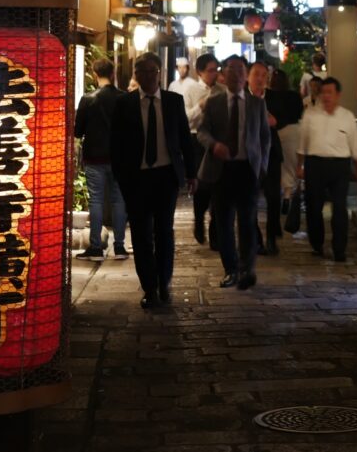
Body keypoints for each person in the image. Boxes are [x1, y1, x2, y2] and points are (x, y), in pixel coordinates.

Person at [109, 52, 197, 308]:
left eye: (152, 71)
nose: (147, 76)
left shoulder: (173, 102)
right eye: (142, 71)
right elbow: (116, 144)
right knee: (140, 234)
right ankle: (149, 286)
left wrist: (191, 173)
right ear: (135, 74)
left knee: (164, 232)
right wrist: (121, 177)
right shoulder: (124, 104)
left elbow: (184, 140)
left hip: (165, 175)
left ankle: (164, 282)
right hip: (136, 177)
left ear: (159, 74)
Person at [197, 57, 271, 290]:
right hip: (222, 168)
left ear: (245, 75)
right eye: (232, 71)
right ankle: (230, 269)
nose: (237, 76)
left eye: (241, 71)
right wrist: (214, 145)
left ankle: (247, 268)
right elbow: (202, 131)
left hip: (247, 168)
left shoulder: (256, 104)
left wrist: (262, 166)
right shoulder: (214, 101)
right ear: (224, 74)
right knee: (224, 222)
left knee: (248, 221)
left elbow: (264, 138)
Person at [297, 77, 357, 262]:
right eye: (323, 92)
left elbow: (355, 148)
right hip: (315, 164)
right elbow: (303, 143)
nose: (326, 96)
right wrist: (299, 166)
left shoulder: (347, 116)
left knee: (340, 208)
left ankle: (339, 249)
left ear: (337, 95)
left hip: (339, 165)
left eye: (330, 93)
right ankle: (317, 244)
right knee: (313, 207)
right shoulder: (310, 114)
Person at [74, 58, 128, 261]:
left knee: (96, 200)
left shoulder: (88, 99)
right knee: (119, 200)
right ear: (113, 74)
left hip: (94, 157)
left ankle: (95, 248)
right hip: (120, 157)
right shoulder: (123, 98)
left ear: (95, 74)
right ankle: (120, 247)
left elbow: (78, 131)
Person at [254, 64, 304, 254]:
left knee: (273, 197)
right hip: (248, 156)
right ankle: (256, 237)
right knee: (249, 199)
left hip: (271, 153)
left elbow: (282, 119)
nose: (260, 78)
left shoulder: (274, 97)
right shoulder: (243, 97)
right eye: (256, 74)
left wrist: (274, 120)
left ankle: (272, 238)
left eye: (263, 75)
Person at [185, 53, 222, 249]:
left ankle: (215, 231)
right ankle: (199, 218)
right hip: (196, 142)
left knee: (217, 185)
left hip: (216, 141)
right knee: (201, 185)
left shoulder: (221, 90)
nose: (214, 74)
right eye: (210, 70)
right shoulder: (191, 90)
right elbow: (186, 119)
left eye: (216, 70)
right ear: (200, 71)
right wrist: (200, 106)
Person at [270, 69, 306, 232]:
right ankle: (287, 196)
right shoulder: (294, 96)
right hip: (293, 130)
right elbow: (300, 114)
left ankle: (281, 197)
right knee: (292, 166)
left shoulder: (269, 96)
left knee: (279, 165)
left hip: (275, 132)